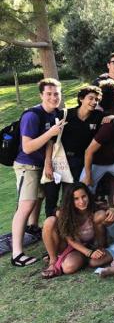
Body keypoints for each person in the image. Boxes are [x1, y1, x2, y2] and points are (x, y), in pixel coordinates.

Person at [11, 78, 63, 267]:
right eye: (49, 94)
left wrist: (48, 162)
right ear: (41, 95)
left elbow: (50, 142)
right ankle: (17, 254)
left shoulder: (55, 114)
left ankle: (33, 229)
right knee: (26, 205)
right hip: (27, 165)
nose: (53, 97)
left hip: (41, 164)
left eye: (56, 93)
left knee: (38, 199)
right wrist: (50, 133)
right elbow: (27, 147)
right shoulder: (32, 116)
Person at [43, 85, 104, 217]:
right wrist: (47, 164)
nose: (94, 102)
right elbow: (50, 141)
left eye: (97, 100)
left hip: (78, 163)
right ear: (81, 99)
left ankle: (66, 228)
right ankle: (51, 227)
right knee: (51, 197)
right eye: (91, 98)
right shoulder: (65, 115)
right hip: (58, 160)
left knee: (68, 198)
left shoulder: (98, 117)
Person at [40, 183, 107, 278]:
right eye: (76, 199)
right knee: (49, 221)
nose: (81, 201)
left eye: (84, 196)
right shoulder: (63, 213)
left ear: (88, 195)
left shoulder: (95, 207)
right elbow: (70, 240)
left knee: (68, 268)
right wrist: (89, 253)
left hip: (88, 246)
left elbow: (112, 208)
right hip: (70, 245)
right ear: (70, 201)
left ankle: (82, 258)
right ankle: (53, 260)